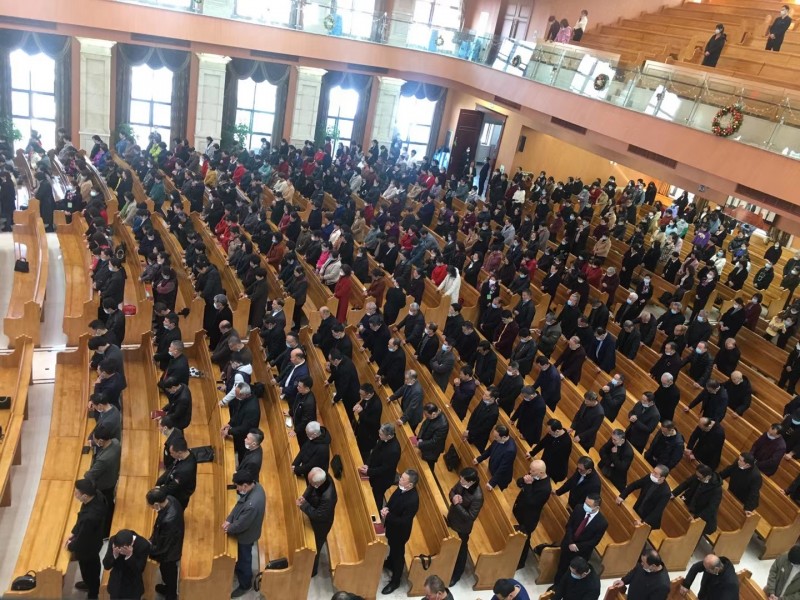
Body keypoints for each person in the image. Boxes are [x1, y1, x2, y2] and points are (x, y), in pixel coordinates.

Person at [224, 471, 266, 597]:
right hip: (248, 528)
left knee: (244, 559)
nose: (237, 488)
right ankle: (240, 570)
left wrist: (229, 528)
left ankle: (245, 584)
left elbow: (242, 524)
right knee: (242, 556)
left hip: (246, 535)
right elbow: (240, 503)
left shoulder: (252, 504)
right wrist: (229, 519)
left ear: (245, 486)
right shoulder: (256, 486)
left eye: (238, 486)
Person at [381, 470, 421, 594]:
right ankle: (389, 562)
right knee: (392, 547)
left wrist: (388, 516)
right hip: (392, 527)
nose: (400, 479)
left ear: (410, 485)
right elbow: (393, 499)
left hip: (400, 532)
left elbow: (404, 520)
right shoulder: (401, 488)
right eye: (401, 477)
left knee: (398, 554)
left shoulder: (413, 500)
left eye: (403, 479)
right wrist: (387, 507)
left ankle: (396, 581)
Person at [554, 493, 608, 584]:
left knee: (573, 574)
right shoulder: (579, 508)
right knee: (561, 568)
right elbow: (569, 526)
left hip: (581, 552)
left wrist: (577, 546)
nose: (585, 506)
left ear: (597, 508)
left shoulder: (602, 523)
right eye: (585, 503)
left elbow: (594, 541)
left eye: (589, 505)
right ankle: (556, 586)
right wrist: (571, 542)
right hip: (568, 544)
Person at [68, 479, 108, 600]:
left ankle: (93, 592)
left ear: (84, 496)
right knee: (90, 567)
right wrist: (74, 531)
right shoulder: (97, 495)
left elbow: (82, 539)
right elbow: (81, 517)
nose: (75, 494)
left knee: (89, 567)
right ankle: (89, 584)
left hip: (89, 547)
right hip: (94, 540)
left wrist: (71, 545)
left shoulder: (90, 517)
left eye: (77, 492)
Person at [447, 467, 484, 586]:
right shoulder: (462, 482)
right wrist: (453, 497)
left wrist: (457, 504)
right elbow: (452, 491)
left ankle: (457, 574)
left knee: (461, 550)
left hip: (462, 527)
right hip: (452, 518)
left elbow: (470, 517)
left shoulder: (478, 496)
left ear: (471, 482)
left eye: (463, 480)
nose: (460, 481)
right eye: (460, 479)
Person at [146, 487, 185, 600]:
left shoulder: (169, 520)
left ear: (157, 504)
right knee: (166, 572)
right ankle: (168, 588)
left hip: (170, 552)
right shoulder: (170, 499)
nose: (151, 508)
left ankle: (171, 594)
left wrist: (148, 547)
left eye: (152, 506)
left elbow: (163, 546)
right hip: (170, 539)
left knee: (168, 572)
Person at [298, 467, 338, 577]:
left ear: (318, 484)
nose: (309, 483)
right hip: (316, 508)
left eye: (311, 482)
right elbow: (311, 485)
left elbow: (318, 515)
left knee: (315, 547)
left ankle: (312, 570)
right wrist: (304, 496)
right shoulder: (323, 477)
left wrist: (303, 505)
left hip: (321, 524)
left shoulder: (328, 497)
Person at [84, 425, 121, 537]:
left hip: (104, 486)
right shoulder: (115, 442)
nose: (94, 441)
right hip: (112, 479)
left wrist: (86, 473)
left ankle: (105, 533)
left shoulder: (104, 459)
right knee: (110, 505)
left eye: (95, 439)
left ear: (101, 441)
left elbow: (89, 475)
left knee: (105, 509)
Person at [513, 459, 551, 569]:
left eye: (532, 471)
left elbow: (531, 502)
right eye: (530, 469)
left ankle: (520, 562)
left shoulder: (545, 488)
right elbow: (519, 482)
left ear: (541, 473)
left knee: (524, 540)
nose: (530, 472)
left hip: (528, 518)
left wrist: (528, 485)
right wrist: (524, 481)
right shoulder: (533, 475)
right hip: (520, 510)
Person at [672, 464, 723, 535]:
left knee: (693, 533)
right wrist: (674, 493)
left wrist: (697, 517)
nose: (697, 478)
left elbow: (712, 507)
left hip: (702, 515)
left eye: (700, 477)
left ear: (708, 477)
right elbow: (686, 483)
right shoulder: (698, 475)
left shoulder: (716, 490)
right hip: (692, 505)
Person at [615, 465, 672, 529]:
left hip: (648, 520)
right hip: (637, 509)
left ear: (662, 478)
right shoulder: (649, 478)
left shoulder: (665, 492)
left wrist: (644, 522)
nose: (652, 474)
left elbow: (657, 511)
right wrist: (622, 496)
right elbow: (635, 485)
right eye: (653, 471)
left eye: (655, 474)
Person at [360, 423, 401, 510]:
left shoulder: (394, 450)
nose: (379, 435)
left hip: (382, 479)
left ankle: (376, 513)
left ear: (389, 436)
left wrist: (369, 471)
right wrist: (367, 464)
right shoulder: (383, 439)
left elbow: (384, 469)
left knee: (377, 496)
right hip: (374, 470)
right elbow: (374, 452)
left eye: (381, 434)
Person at [102, 529, 151, 600]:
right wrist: (114, 555)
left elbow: (139, 570)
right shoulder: (113, 540)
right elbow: (106, 566)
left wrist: (129, 556)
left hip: (132, 587)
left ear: (132, 543)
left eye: (123, 549)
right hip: (116, 585)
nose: (121, 552)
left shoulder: (143, 545)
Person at [155, 437, 198, 509]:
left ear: (179, 452)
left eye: (172, 453)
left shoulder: (184, 471)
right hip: (177, 485)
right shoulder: (187, 453)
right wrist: (160, 480)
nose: (170, 455)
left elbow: (172, 488)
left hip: (180, 495)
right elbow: (172, 467)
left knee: (177, 509)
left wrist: (159, 489)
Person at [474, 425, 517, 490]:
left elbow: (503, 468)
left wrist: (492, 483)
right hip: (493, 469)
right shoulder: (498, 439)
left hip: (500, 478)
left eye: (496, 437)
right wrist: (479, 459)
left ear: (504, 437)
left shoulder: (510, 450)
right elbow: (489, 450)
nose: (494, 439)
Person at [415, 403, 449, 472]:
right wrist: (420, 438)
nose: (425, 417)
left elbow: (434, 441)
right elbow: (424, 425)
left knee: (429, 466)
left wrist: (420, 444)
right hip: (426, 443)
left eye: (427, 415)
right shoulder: (431, 416)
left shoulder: (443, 425)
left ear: (433, 414)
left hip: (433, 450)